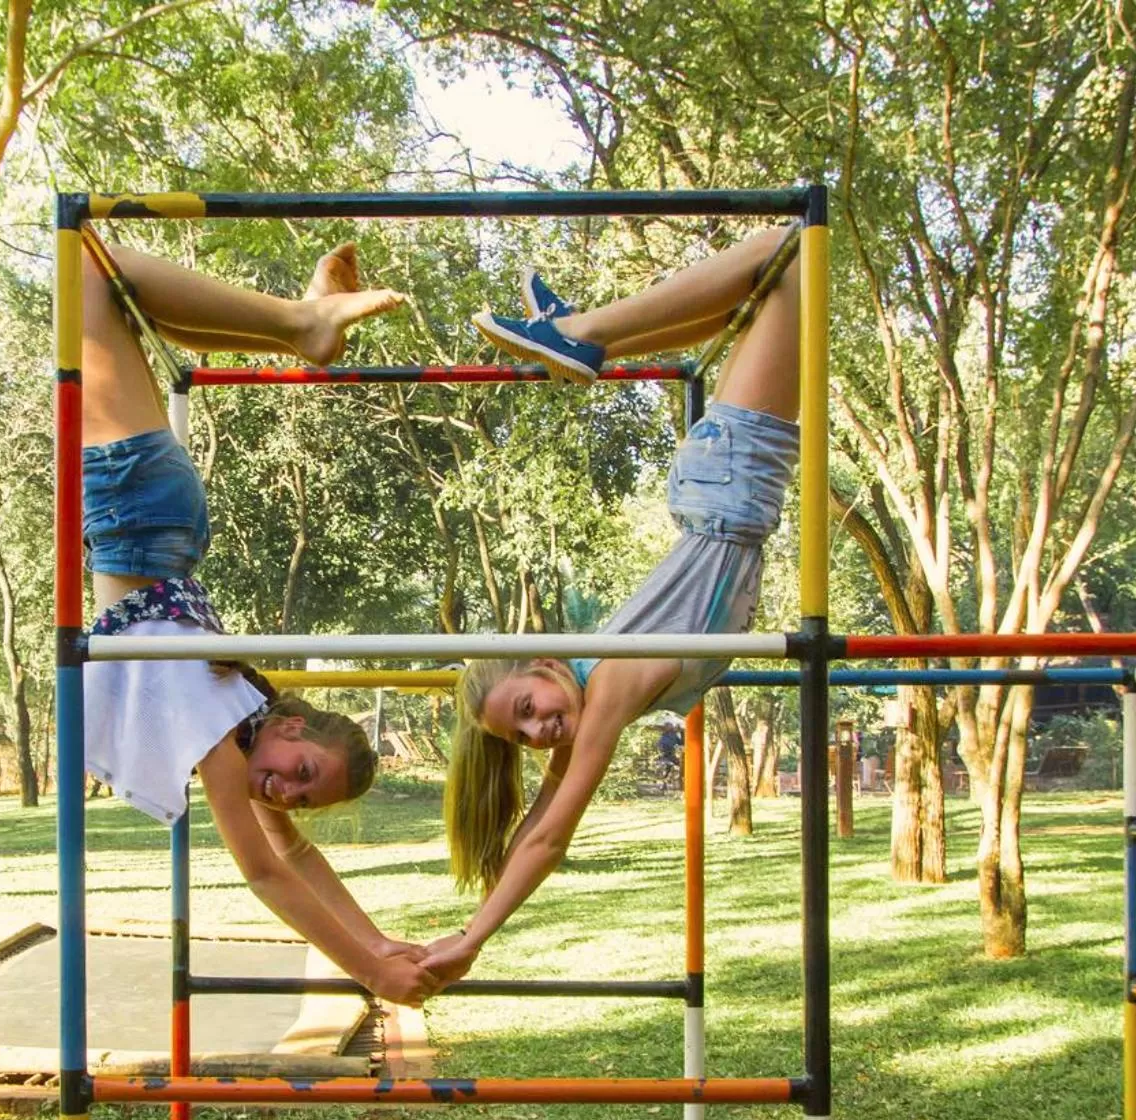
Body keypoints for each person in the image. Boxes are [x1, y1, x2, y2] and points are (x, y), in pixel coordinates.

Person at [76, 235, 439, 1006]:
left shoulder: (243, 734)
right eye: (300, 775)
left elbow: (298, 858)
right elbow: (264, 871)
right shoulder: (222, 716)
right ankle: (302, 324)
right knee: (88, 268)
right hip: (133, 502)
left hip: (152, 518)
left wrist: (379, 939)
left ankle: (300, 324)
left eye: (297, 798)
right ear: (295, 727)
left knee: (114, 291)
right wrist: (368, 972)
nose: (280, 790)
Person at [431, 227, 801, 981]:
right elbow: (539, 813)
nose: (541, 728)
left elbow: (551, 837)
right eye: (525, 732)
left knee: (790, 251)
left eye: (528, 705)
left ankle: (583, 331)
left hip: (733, 481)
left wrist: (474, 941)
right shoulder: (591, 688)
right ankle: (585, 329)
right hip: (723, 485)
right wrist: (468, 923)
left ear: (543, 662)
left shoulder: (609, 684)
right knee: (763, 287)